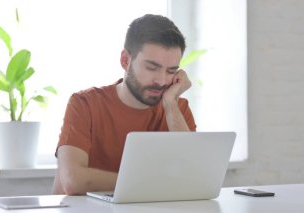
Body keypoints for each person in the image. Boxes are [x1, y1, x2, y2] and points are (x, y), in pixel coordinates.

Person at [52, 14, 196, 195]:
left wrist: (170, 105)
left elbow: (192, 179)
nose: (161, 81)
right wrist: (158, 183)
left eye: (171, 71)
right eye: (152, 68)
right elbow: (73, 181)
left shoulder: (177, 109)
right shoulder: (85, 104)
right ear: (125, 61)